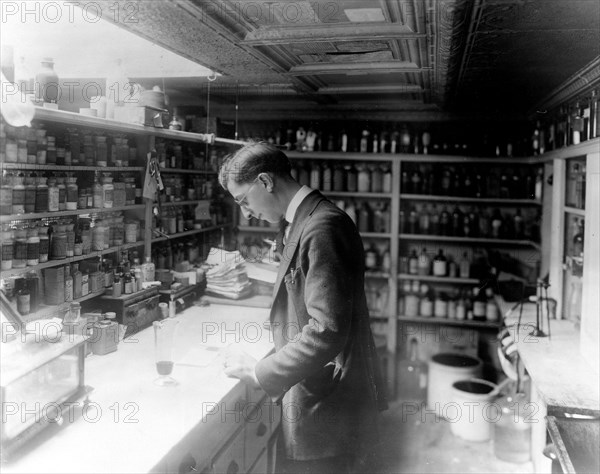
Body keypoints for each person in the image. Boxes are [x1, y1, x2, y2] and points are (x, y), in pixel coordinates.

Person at [219, 143, 388, 474]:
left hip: (329, 404)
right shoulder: (300, 220)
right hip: (316, 388)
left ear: (266, 182)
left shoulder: (322, 226)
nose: (245, 213)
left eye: (243, 201)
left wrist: (259, 371)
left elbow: (326, 331)